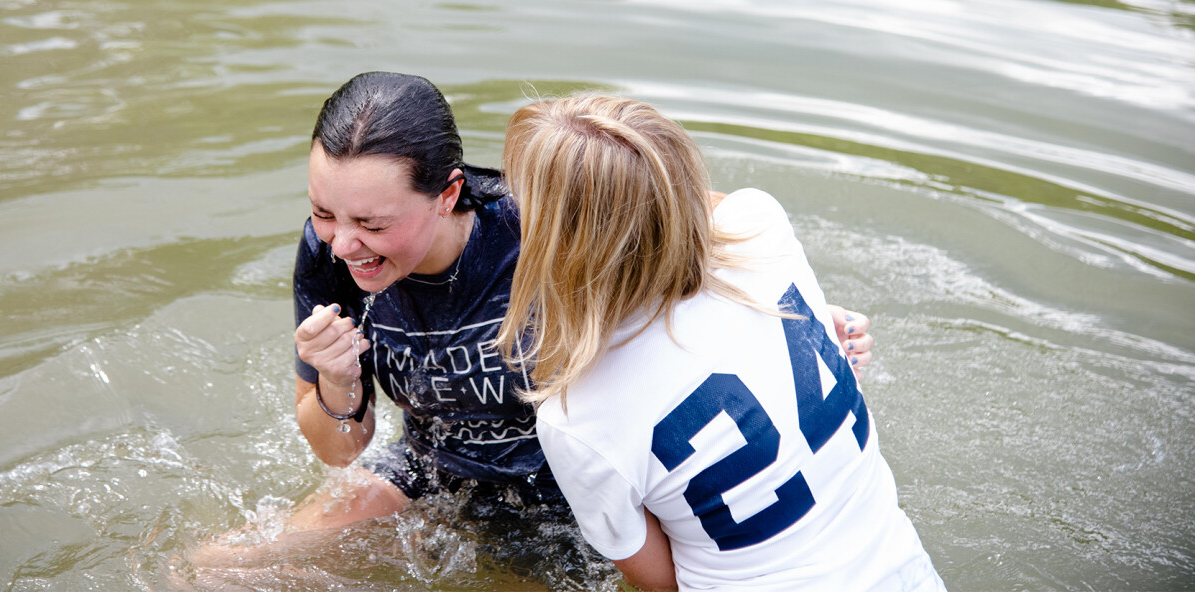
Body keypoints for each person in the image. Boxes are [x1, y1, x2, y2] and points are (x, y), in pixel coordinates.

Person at [187, 72, 875, 579]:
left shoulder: (538, 220)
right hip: (437, 471)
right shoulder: (331, 260)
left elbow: (690, 220)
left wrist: (788, 317)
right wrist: (338, 384)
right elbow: (339, 449)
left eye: (371, 222)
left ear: (449, 192)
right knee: (219, 567)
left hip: (589, 486)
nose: (343, 242)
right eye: (323, 212)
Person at [497, 94, 944, 591]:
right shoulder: (760, 224)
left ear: (555, 239)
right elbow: (695, 208)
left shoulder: (575, 417)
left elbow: (661, 582)